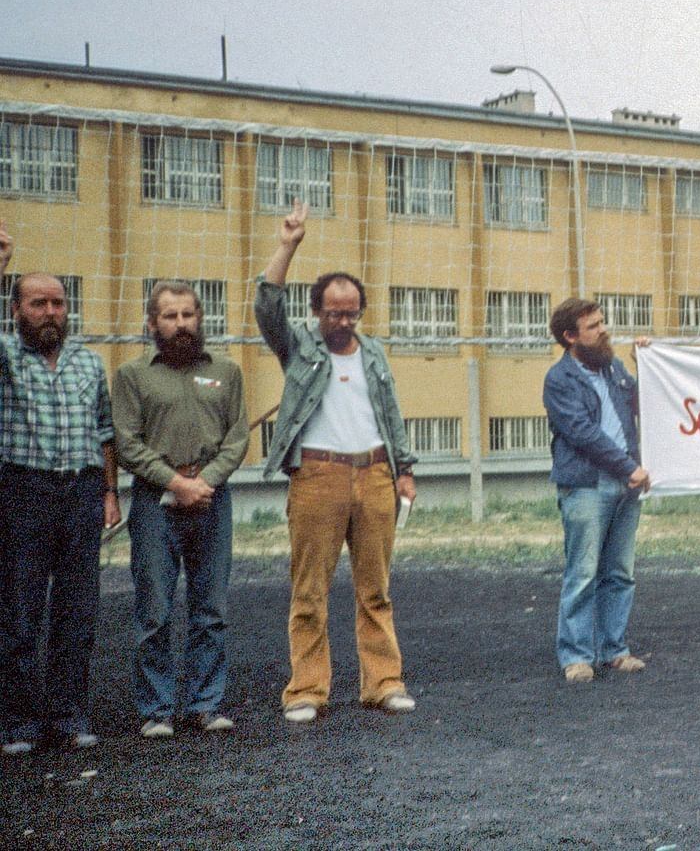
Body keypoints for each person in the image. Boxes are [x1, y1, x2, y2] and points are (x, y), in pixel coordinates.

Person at [255, 201, 419, 722]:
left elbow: (391, 414)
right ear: (317, 311)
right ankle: (306, 689)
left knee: (376, 590)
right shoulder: (298, 346)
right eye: (333, 312)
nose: (343, 321)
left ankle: (383, 683)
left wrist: (405, 471)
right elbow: (266, 307)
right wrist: (288, 245)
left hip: (374, 475)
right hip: (317, 474)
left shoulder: (373, 353)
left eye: (351, 313)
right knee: (309, 590)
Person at [112, 281, 250, 738]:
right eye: (170, 316)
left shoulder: (226, 372)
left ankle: (204, 705)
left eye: (188, 315)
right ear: (152, 324)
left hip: (212, 499)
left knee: (210, 608)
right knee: (155, 610)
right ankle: (156, 709)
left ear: (200, 319)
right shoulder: (133, 376)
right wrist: (175, 483)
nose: (181, 324)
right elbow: (127, 444)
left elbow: (238, 438)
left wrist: (203, 482)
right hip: (156, 500)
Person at [0, 223, 117, 753]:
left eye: (59, 303)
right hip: (22, 493)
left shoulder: (88, 362)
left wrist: (111, 491)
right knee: (19, 612)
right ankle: (19, 723)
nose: (51, 312)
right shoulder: (7, 358)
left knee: (77, 611)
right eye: (39, 303)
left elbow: (105, 431)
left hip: (82, 495)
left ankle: (69, 717)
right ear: (17, 311)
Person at [543, 298, 650, 682]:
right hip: (587, 486)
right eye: (593, 326)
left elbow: (644, 402)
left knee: (620, 571)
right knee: (584, 572)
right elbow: (583, 433)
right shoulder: (559, 380)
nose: (604, 330)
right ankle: (575, 655)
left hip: (626, 484)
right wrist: (629, 467)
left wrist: (648, 365)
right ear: (570, 337)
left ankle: (614, 650)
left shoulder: (614, 369)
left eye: (603, 322)